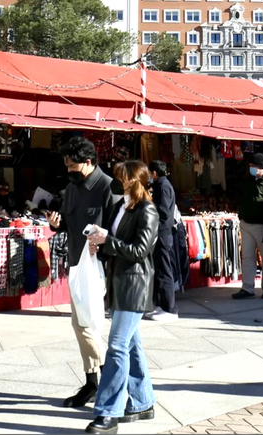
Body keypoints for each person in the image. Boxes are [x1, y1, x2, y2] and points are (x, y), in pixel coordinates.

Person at [83, 161, 159, 434]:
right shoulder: (119, 207)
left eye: (121, 177)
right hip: (117, 284)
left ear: (133, 180)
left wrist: (108, 242)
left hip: (135, 286)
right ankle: (142, 402)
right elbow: (114, 245)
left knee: (116, 347)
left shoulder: (147, 210)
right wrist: (98, 246)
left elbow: (140, 250)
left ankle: (108, 412)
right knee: (131, 345)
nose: (117, 181)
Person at [47, 136, 121, 409]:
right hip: (77, 264)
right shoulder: (72, 187)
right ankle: (92, 381)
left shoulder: (109, 187)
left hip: (97, 265)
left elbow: (118, 232)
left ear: (88, 163)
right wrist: (56, 225)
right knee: (79, 326)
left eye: (73, 166)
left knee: (87, 326)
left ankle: (112, 379)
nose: (69, 171)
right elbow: (68, 223)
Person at [233, 153, 263, 298]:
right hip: (246, 223)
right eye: (250, 166)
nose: (251, 169)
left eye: (253, 166)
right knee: (247, 256)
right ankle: (247, 288)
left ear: (261, 167)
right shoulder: (248, 180)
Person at [146, 160, 179, 322]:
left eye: (149, 173)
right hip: (161, 233)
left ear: (154, 173)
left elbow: (164, 213)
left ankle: (170, 309)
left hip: (163, 234)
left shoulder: (163, 187)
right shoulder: (160, 186)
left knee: (165, 271)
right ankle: (161, 305)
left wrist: (153, 227)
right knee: (159, 270)